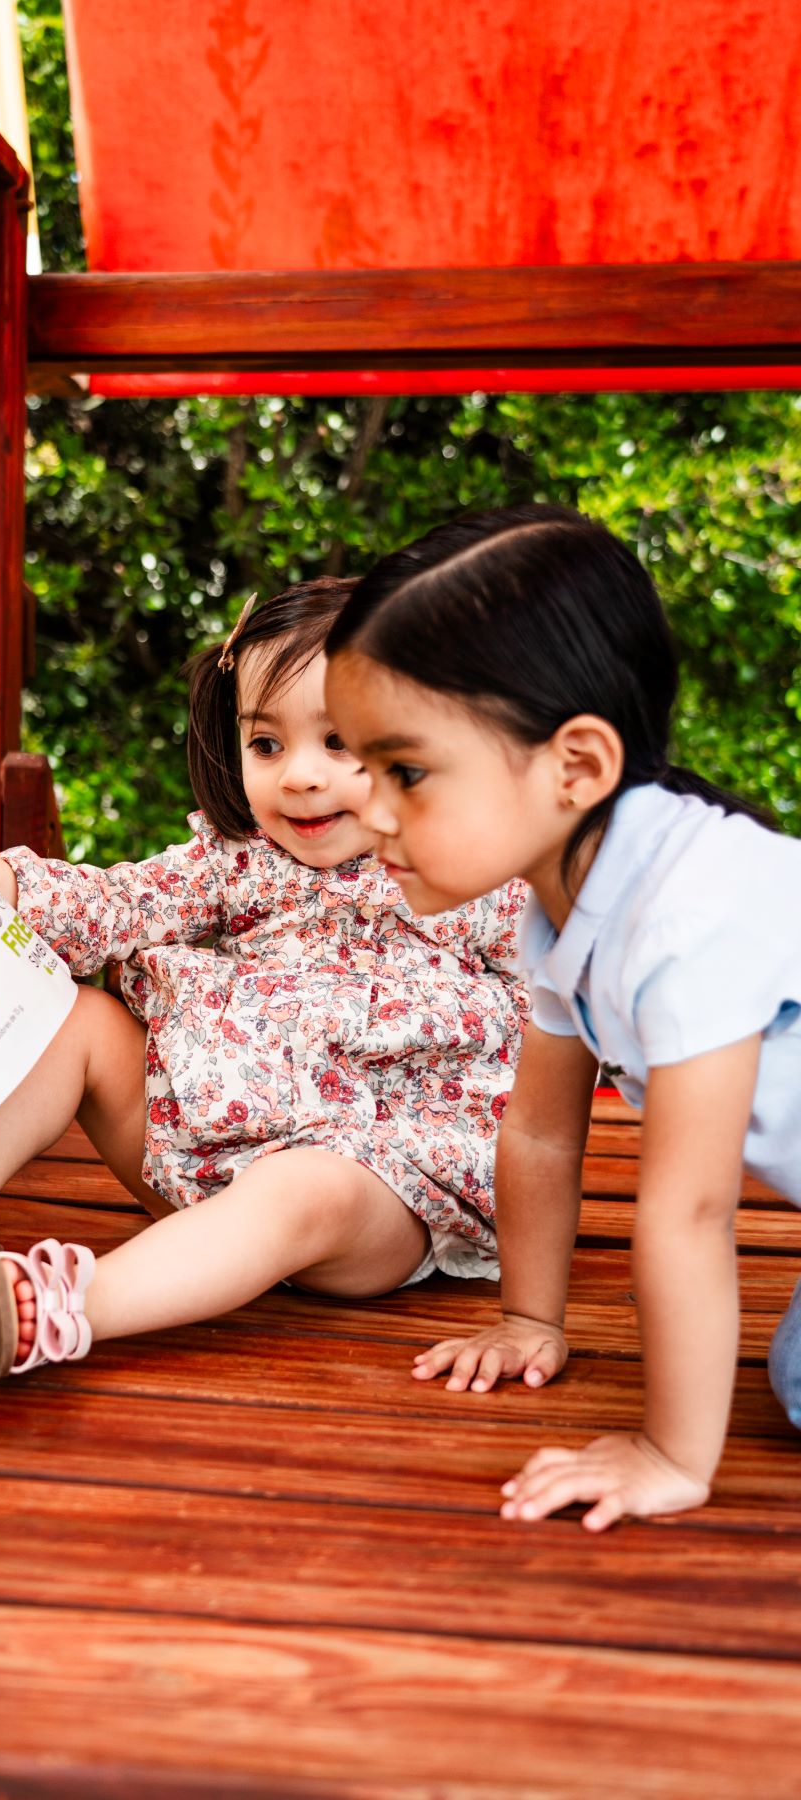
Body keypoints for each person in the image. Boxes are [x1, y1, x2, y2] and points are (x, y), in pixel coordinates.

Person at [0, 577, 526, 1377]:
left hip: (375, 1194)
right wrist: (3, 882)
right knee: (82, 1019)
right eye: (267, 744)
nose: (299, 775)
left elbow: (568, 1009)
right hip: (202, 1154)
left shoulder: (476, 878)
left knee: (303, 1187)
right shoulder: (236, 864)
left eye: (339, 742)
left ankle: (66, 1308)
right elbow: (123, 899)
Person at [323, 502, 801, 1533]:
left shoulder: (692, 911)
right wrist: (531, 1320)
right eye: (364, 768)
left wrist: (673, 1453)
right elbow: (541, 1129)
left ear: (577, 766)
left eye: (404, 770)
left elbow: (691, 1211)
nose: (369, 810)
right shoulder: (565, 903)